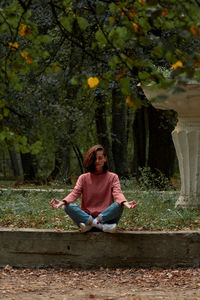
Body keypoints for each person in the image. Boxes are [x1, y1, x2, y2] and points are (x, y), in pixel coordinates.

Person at [50, 145, 137, 233]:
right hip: (86, 219)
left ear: (105, 158)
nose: (97, 161)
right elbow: (75, 193)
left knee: (119, 205)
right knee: (67, 206)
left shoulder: (113, 177)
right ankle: (100, 226)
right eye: (94, 159)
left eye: (100, 158)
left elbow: (117, 193)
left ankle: (92, 225)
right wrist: (62, 202)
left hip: (107, 219)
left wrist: (125, 202)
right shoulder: (83, 178)